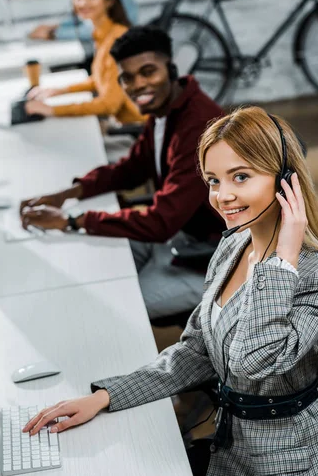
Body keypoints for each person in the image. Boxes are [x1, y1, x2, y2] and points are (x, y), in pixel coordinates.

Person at [23, 106, 318, 476]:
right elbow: (196, 349)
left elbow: (255, 361)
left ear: (286, 182)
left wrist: (281, 262)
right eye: (213, 180)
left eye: (241, 176)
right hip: (234, 450)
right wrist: (105, 397)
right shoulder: (233, 245)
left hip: (294, 467)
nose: (222, 195)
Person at [20, 25, 225, 319]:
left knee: (120, 305)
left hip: (218, 257)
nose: (138, 85)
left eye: (148, 72)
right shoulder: (167, 109)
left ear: (171, 68)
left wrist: (72, 219)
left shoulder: (198, 126)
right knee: (95, 256)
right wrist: (67, 194)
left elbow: (160, 223)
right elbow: (132, 168)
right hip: (184, 237)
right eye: (127, 77)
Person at [25, 0, 145, 123]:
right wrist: (60, 90)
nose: (82, 3)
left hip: (138, 127)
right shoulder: (102, 34)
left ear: (109, 0)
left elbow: (109, 105)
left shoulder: (117, 39)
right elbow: (100, 79)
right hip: (124, 124)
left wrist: (52, 110)